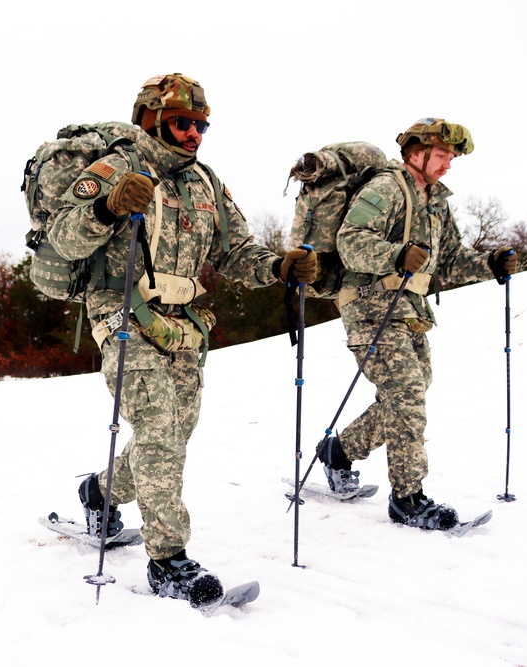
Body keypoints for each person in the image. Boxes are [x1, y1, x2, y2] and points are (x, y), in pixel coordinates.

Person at [48, 73, 318, 605]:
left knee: (173, 435)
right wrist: (108, 207)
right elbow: (63, 236)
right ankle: (168, 561)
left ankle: (98, 491)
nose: (194, 134)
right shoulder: (119, 166)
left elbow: (236, 251)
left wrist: (280, 267)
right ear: (150, 118)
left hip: (184, 324)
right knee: (160, 430)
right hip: (122, 312)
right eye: (182, 123)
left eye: (202, 125)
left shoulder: (206, 183)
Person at [317, 118, 517, 531]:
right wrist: (395, 255)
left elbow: (449, 259)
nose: (447, 165)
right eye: (442, 156)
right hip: (371, 305)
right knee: (406, 391)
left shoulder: (435, 202)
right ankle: (408, 497)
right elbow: (350, 242)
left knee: (409, 393)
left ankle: (339, 452)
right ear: (416, 152)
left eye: (450, 158)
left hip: (411, 311)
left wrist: (490, 263)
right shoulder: (387, 188)